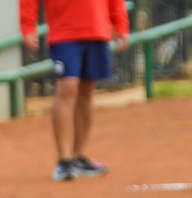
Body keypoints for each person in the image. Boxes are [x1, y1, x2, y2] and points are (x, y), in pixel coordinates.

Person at [20, 0, 129, 181]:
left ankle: (78, 156)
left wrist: (121, 24)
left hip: (97, 30)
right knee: (67, 87)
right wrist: (27, 25)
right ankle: (64, 160)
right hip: (64, 32)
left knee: (87, 91)